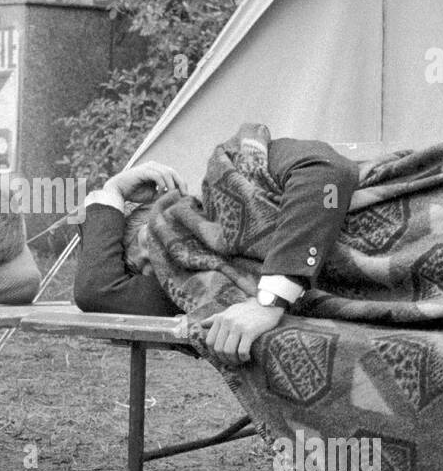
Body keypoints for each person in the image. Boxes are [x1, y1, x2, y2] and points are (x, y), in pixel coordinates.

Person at [74, 138, 359, 365]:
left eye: (147, 242)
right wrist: (111, 190)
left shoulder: (239, 170)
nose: (158, 264)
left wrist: (270, 300)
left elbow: (330, 171)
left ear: (168, 211)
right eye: (144, 271)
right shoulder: (195, 289)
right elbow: (97, 290)